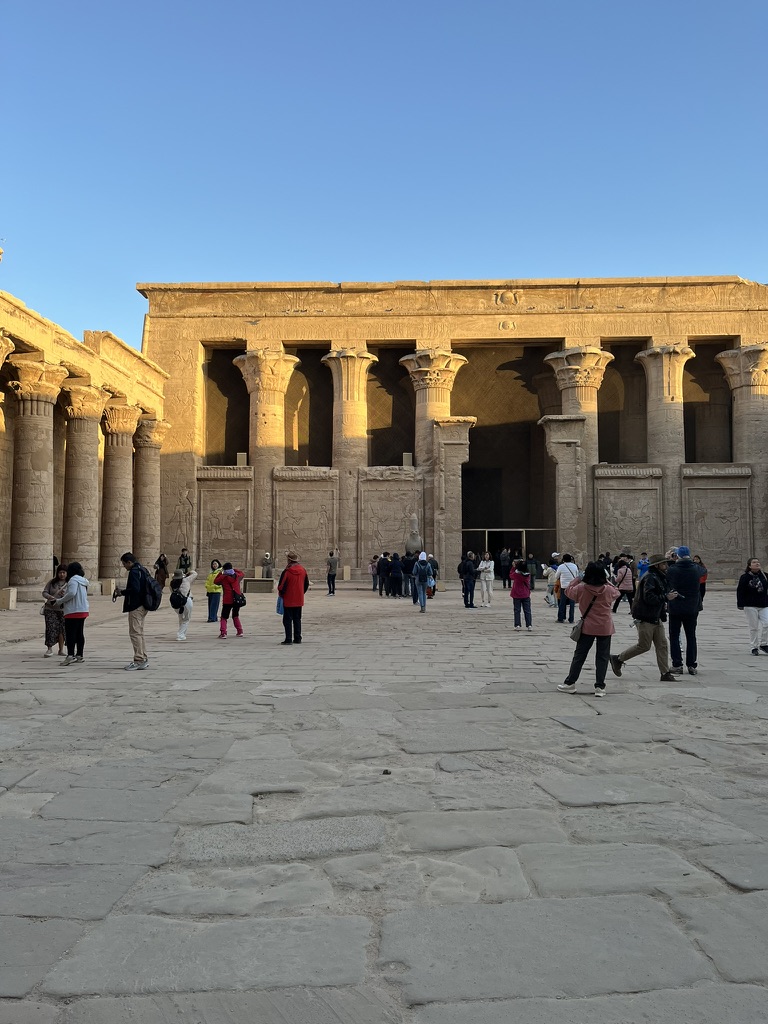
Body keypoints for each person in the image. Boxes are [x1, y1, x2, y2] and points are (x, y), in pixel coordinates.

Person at [610, 554, 677, 682]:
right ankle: (618, 659)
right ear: (657, 566)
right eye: (663, 564)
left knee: (662, 644)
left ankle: (665, 673)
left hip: (655, 617)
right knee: (644, 646)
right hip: (646, 617)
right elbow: (649, 598)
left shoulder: (660, 577)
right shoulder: (650, 578)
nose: (666, 566)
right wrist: (666, 597)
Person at [557, 562, 620, 697]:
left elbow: (568, 591)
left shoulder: (581, 589)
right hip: (605, 627)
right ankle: (600, 687)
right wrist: (607, 580)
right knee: (602, 657)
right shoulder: (608, 590)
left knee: (579, 656)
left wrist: (578, 578)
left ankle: (570, 683)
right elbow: (617, 591)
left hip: (587, 628)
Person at [665, 545, 701, 676]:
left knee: (674, 636)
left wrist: (669, 560)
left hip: (675, 606)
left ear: (677, 556)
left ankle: (677, 664)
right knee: (691, 636)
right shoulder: (697, 569)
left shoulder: (672, 569)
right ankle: (691, 665)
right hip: (692, 607)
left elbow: (666, 579)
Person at [118, 553, 151, 670]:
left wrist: (122, 592)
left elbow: (135, 589)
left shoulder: (134, 571)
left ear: (129, 562)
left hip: (136, 605)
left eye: (124, 564)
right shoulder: (143, 569)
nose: (124, 567)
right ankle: (143, 657)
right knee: (139, 632)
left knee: (135, 633)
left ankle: (139, 660)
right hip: (143, 605)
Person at [56, 561, 90, 667]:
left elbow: (72, 593)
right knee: (79, 633)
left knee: (70, 633)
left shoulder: (73, 580)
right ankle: (79, 654)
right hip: (83, 609)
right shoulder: (83, 581)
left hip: (73, 610)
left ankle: (70, 655)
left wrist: (60, 600)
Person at [736, 557, 768, 656]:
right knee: (753, 627)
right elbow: (740, 591)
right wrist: (740, 604)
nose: (757, 563)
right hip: (750, 605)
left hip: (764, 604)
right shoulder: (745, 577)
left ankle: (764, 644)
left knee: (767, 623)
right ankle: (754, 646)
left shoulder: (765, 576)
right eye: (754, 562)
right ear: (749, 566)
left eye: (758, 562)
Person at [278, 550, 309, 643]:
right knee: (297, 619)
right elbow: (306, 584)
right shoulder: (303, 570)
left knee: (287, 620)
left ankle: (288, 639)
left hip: (288, 599)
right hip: (299, 599)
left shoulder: (287, 571)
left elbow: (281, 586)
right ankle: (297, 638)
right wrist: (301, 593)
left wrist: (281, 594)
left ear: (289, 560)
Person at [41, 564, 68, 657]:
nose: (62, 574)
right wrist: (49, 596)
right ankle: (49, 648)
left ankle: (61, 649)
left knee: (62, 630)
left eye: (64, 572)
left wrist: (64, 594)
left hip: (62, 609)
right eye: (60, 572)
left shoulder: (69, 583)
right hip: (50, 608)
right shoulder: (52, 582)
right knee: (50, 628)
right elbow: (44, 592)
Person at [214, 562, 245, 638]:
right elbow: (242, 573)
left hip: (227, 599)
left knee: (224, 617)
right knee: (235, 615)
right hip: (236, 599)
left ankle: (223, 633)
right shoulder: (237, 576)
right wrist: (234, 570)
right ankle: (240, 631)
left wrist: (221, 573)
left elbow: (215, 581)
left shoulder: (223, 577)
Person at [170, 568, 198, 641]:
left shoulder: (172, 584)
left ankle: (183, 634)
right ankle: (180, 634)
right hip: (187, 601)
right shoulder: (186, 580)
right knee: (186, 618)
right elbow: (195, 573)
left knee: (181, 618)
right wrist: (189, 572)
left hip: (176, 602)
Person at [555, 554, 579, 624]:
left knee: (562, 603)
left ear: (563, 560)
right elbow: (577, 576)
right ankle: (571, 619)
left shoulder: (561, 566)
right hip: (573, 586)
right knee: (572, 604)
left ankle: (561, 618)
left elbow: (556, 576)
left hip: (564, 587)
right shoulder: (574, 566)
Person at [510, 559, 532, 630]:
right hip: (525, 594)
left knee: (517, 610)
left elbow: (511, 576)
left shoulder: (516, 574)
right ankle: (529, 625)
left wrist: (513, 567)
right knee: (527, 610)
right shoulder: (528, 574)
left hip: (517, 594)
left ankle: (517, 625)